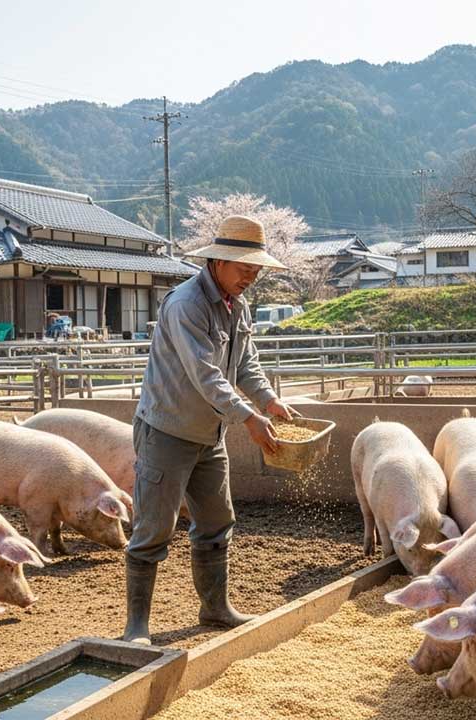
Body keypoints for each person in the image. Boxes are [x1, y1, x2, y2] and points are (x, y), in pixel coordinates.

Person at [122, 215, 294, 644]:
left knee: (217, 521)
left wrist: (268, 400)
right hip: (167, 430)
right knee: (153, 527)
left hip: (209, 434)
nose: (250, 277)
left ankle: (215, 609)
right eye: (244, 268)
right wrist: (249, 418)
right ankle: (136, 626)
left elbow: (245, 364)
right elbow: (206, 375)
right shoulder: (186, 305)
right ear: (218, 262)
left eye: (255, 270)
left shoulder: (239, 306)